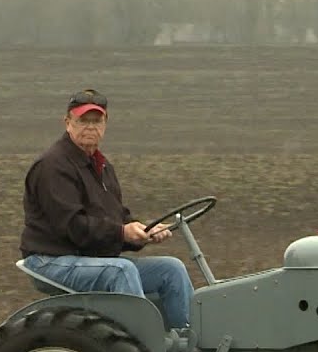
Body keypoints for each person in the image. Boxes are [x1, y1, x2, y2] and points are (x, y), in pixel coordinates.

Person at [20, 89, 194, 329]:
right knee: (121, 270)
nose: (90, 127)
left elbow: (116, 218)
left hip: (88, 258)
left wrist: (144, 232)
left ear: (105, 124)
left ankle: (188, 339)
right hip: (50, 259)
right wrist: (123, 233)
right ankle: (141, 344)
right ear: (67, 122)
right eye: (83, 120)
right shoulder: (53, 166)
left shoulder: (101, 166)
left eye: (97, 121)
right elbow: (74, 227)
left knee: (171, 269)